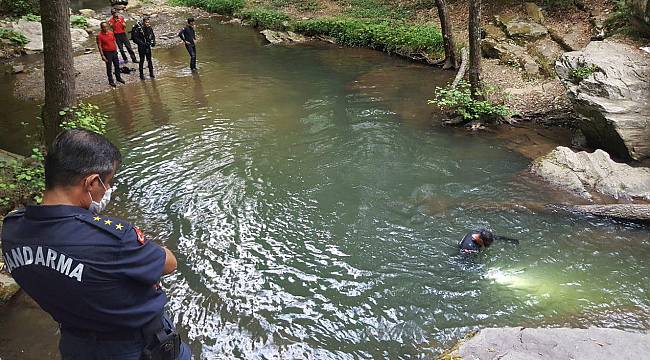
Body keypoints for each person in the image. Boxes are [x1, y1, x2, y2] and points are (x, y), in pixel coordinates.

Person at [1, 129, 192, 360]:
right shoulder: (112, 239)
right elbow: (169, 263)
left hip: (75, 343)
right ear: (91, 182)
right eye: (107, 182)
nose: (107, 190)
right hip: (136, 346)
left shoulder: (12, 230)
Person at [96, 21, 125, 87]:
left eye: (106, 26)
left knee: (117, 65)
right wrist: (102, 55)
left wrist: (116, 50)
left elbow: (113, 41)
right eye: (103, 27)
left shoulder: (111, 33)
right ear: (101, 28)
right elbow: (99, 46)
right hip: (107, 53)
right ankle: (111, 81)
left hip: (114, 51)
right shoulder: (99, 36)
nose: (105, 28)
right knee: (109, 67)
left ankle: (118, 78)